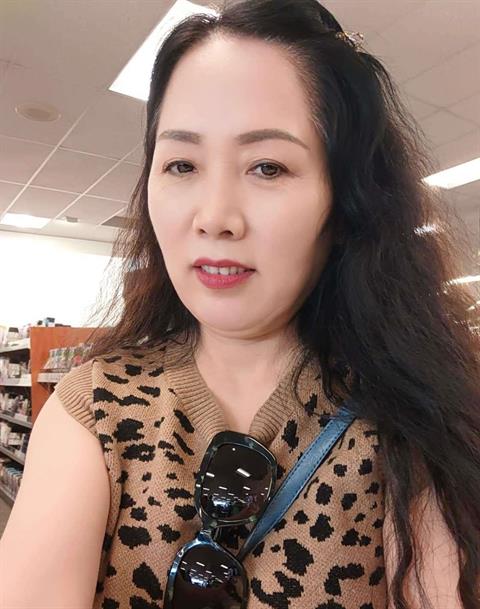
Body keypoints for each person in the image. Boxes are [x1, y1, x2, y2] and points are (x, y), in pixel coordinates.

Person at [1, 1, 479, 608]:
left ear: (344, 201)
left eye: (267, 167)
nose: (215, 217)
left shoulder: (409, 423)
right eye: (182, 164)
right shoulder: (94, 410)